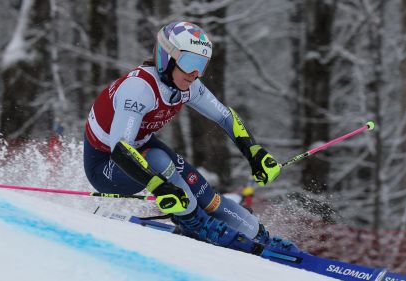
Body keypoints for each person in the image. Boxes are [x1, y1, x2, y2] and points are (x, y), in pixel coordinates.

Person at [83, 21, 297, 254]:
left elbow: (225, 117)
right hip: (108, 165)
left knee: (207, 195)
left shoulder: (188, 85)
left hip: (144, 151)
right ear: (167, 58)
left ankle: (260, 236)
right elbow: (120, 149)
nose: (195, 74)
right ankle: (195, 223)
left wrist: (253, 152)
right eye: (189, 63)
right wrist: (159, 186)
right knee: (160, 160)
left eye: (201, 65)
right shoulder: (138, 88)